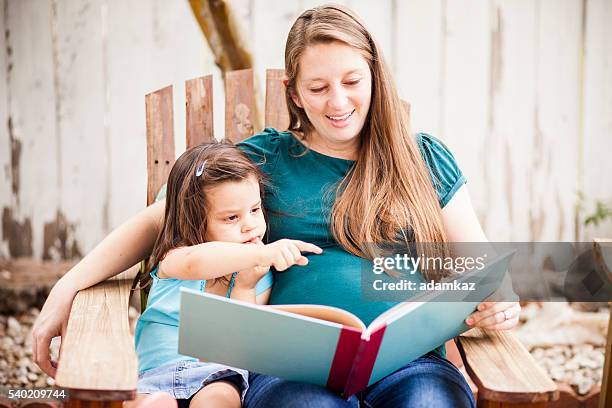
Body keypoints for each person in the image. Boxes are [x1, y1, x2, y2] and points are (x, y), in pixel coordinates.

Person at [33, 4, 521, 407]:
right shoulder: (261, 161)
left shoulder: (423, 158)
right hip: (291, 360)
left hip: (412, 360)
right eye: (318, 87)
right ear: (294, 93)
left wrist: (500, 303)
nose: (338, 101)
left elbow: (480, 269)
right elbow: (155, 226)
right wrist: (67, 287)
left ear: (374, 75)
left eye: (352, 80)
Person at [126, 142, 322, 408]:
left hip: (218, 376)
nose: (249, 225)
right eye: (231, 218)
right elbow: (198, 262)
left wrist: (244, 287)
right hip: (155, 374)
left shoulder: (258, 274)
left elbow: (241, 344)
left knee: (221, 399)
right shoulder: (176, 258)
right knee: (147, 403)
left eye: (254, 210)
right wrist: (262, 254)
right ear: (194, 220)